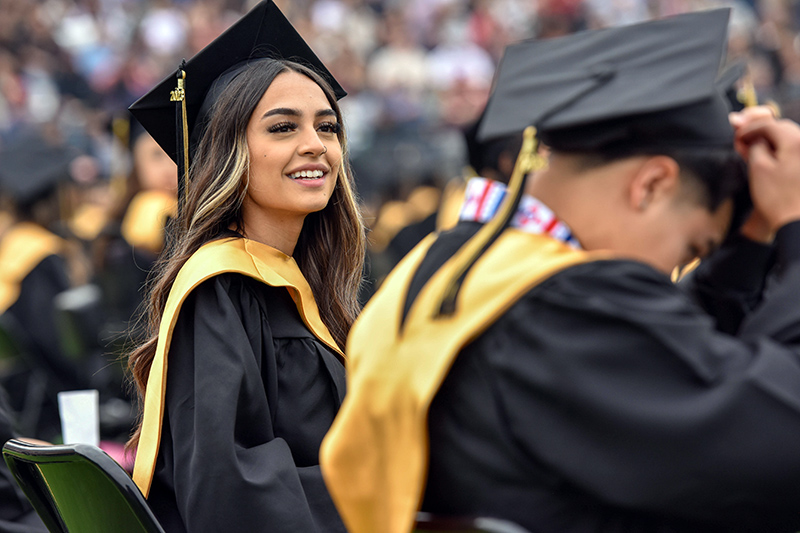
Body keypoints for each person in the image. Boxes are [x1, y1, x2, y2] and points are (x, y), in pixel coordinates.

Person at [320, 9, 800, 533]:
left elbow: (664, 344)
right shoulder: (560, 304)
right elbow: (778, 439)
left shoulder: (454, 263)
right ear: (652, 185)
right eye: (693, 245)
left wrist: (750, 241)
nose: (673, 269)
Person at [125, 1, 365, 531]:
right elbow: (230, 488)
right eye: (282, 128)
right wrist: (382, 485)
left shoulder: (301, 283)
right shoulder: (220, 289)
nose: (315, 146)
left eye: (327, 128)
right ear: (228, 151)